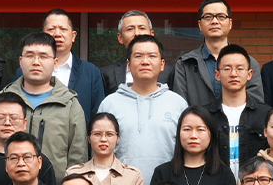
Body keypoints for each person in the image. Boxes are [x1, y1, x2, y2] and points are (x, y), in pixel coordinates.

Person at [0, 33, 89, 171]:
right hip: (4, 182)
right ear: (20, 61)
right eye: (30, 56)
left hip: (54, 184)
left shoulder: (69, 105)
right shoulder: (1, 101)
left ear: (55, 63)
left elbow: (78, 158)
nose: (36, 62)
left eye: (43, 56)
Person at [98, 35, 185, 172]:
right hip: (120, 183)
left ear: (162, 64)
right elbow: (99, 152)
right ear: (128, 65)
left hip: (168, 184)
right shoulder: (110, 104)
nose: (145, 62)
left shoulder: (178, 103)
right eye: (138, 56)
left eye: (152, 56)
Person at [171, 0, 265, 110]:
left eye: (221, 16)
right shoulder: (185, 64)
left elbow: (256, 107)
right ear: (200, 25)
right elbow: (180, 108)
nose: (215, 21)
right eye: (208, 17)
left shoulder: (249, 63)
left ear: (230, 23)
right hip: (198, 121)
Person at [198, 44, 270, 175]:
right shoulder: (204, 116)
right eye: (227, 69)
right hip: (216, 183)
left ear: (249, 74)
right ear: (217, 75)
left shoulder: (265, 115)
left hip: (254, 184)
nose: (233, 74)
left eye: (240, 69)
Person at [41, 9, 105, 128]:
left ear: (73, 36)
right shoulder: (26, 72)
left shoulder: (91, 72)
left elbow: (98, 117)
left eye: (63, 29)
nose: (57, 34)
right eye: (51, 29)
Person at [99, 10, 167, 98]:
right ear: (120, 38)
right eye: (130, 29)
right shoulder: (107, 74)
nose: (137, 33)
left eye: (142, 28)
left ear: (152, 34)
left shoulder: (170, 73)